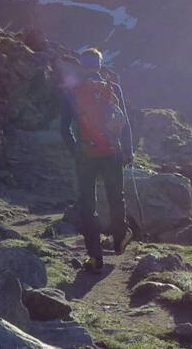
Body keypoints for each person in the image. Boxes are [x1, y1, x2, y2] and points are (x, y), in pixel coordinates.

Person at [60, 47, 134, 271]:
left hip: (86, 156)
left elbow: (64, 129)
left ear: (82, 66)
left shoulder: (72, 91)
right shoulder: (113, 88)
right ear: (100, 65)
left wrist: (77, 151)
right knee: (116, 198)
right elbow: (125, 123)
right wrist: (128, 151)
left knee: (87, 205)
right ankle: (119, 240)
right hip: (112, 152)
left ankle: (95, 258)